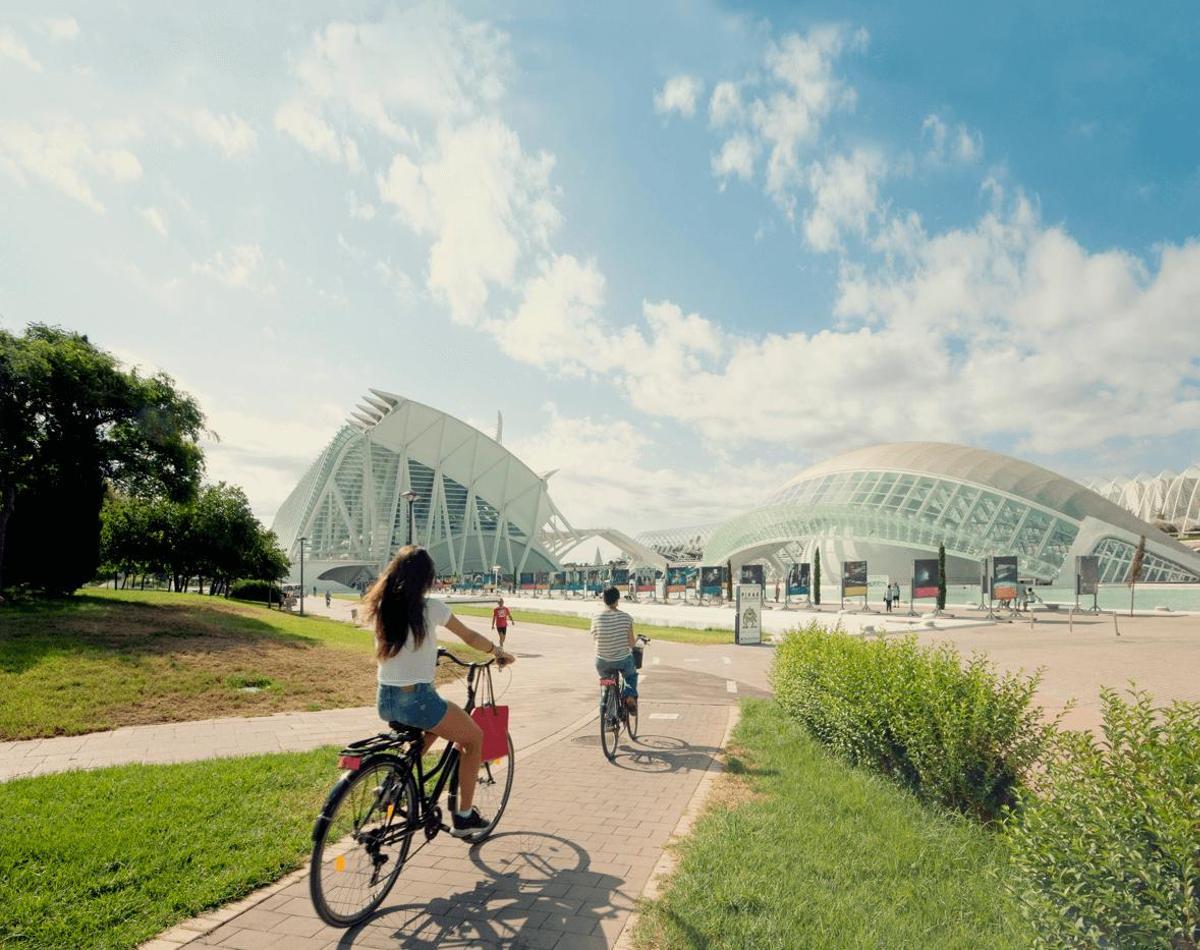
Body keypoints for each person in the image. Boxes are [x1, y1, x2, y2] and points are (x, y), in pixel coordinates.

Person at [364, 545, 515, 838]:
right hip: (416, 699)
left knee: (433, 726)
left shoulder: (384, 606)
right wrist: (497, 651)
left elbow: (404, 648)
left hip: (385, 699)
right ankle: (464, 816)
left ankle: (395, 784)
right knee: (473, 737)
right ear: (426, 579)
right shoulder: (431, 608)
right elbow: (469, 636)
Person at [592, 586, 638, 713]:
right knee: (631, 676)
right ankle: (629, 695)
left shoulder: (596, 617)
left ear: (603, 600)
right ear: (618, 600)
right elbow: (631, 643)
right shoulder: (626, 617)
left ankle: (610, 717)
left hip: (602, 661)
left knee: (607, 683)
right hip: (622, 660)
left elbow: (595, 637)